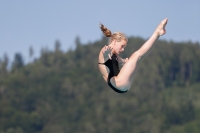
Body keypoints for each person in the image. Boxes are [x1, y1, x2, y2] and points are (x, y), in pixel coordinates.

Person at [98, 18, 168, 93]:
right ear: (115, 42)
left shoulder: (115, 55)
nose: (123, 49)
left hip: (122, 85)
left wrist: (125, 61)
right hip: (118, 83)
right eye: (122, 46)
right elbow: (104, 54)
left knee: (139, 58)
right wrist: (106, 51)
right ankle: (157, 32)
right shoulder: (104, 51)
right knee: (136, 55)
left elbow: (121, 61)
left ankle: (157, 35)